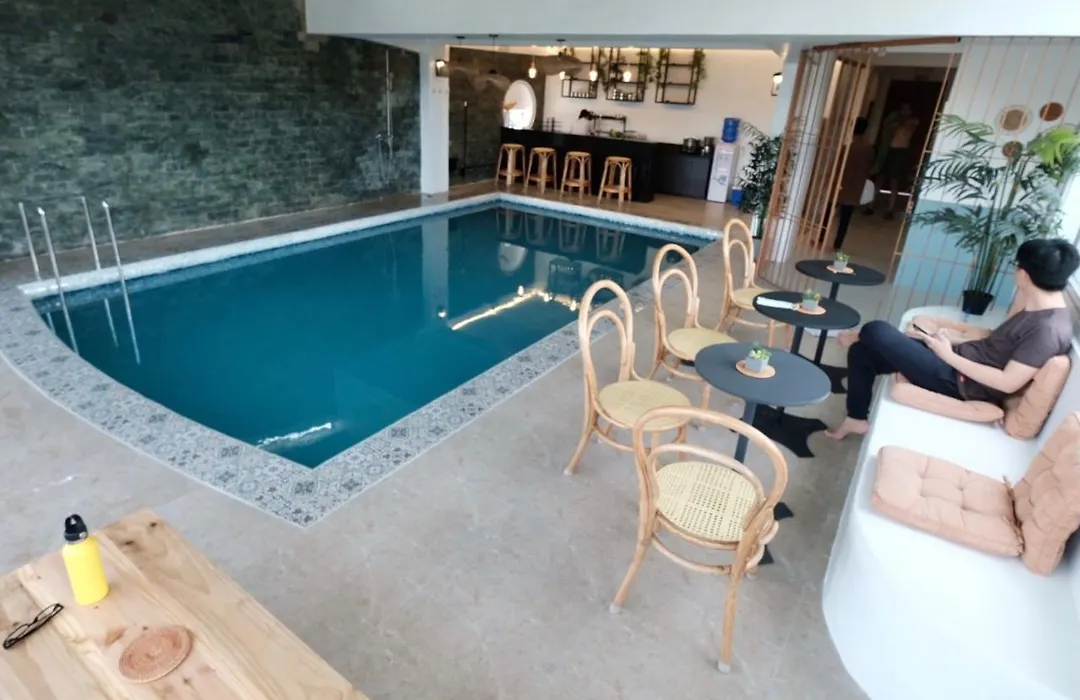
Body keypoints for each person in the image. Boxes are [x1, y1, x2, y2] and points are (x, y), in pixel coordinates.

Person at [826, 238, 1079, 440]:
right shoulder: (1039, 308)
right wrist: (946, 341)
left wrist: (947, 355)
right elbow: (997, 346)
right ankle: (856, 419)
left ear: (1023, 274)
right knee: (862, 352)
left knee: (876, 330)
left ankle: (855, 336)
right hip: (957, 361)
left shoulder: (1047, 329)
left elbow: (1007, 382)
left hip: (960, 383)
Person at [830, 117, 875, 250]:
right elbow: (870, 168)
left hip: (841, 184)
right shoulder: (869, 149)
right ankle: (837, 244)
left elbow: (838, 166)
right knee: (845, 218)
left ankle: (821, 237)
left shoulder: (847, 147)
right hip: (856, 186)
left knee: (828, 210)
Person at [876, 102, 920, 219]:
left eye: (907, 109)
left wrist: (900, 121)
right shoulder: (894, 120)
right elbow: (888, 127)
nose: (904, 112)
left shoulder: (912, 121)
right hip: (888, 150)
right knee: (880, 177)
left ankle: (890, 209)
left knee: (894, 180)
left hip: (900, 151)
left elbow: (908, 126)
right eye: (902, 109)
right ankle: (871, 205)